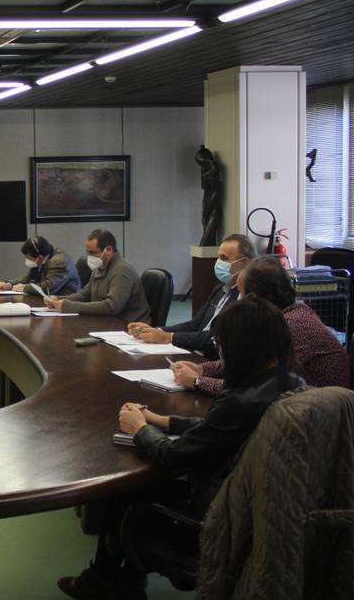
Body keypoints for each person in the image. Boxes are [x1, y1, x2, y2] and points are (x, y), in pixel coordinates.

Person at [58, 298, 303, 599]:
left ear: (241, 346)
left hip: (212, 514)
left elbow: (174, 456)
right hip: (253, 502)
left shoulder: (239, 400)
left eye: (222, 343)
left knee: (123, 489)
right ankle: (121, 582)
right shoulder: (289, 383)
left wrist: (141, 430)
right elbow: (217, 431)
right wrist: (163, 421)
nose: (220, 351)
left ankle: (105, 583)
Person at [170, 255, 349, 393]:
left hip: (313, 416)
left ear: (254, 298)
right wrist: (201, 369)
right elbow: (250, 363)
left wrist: (197, 381)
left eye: (240, 294)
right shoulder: (285, 316)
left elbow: (254, 388)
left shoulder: (292, 326)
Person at [127, 233, 253, 356]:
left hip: (212, 359)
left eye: (224, 258)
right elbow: (194, 325)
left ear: (244, 262)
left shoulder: (245, 297)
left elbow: (215, 339)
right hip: (194, 352)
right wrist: (156, 331)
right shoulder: (220, 289)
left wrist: (169, 337)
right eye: (218, 257)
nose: (218, 262)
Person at [46, 229, 150, 324]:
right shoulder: (100, 266)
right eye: (87, 252)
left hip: (128, 326)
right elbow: (85, 295)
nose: (89, 257)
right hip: (107, 322)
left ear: (108, 250)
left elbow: (111, 307)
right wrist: (58, 299)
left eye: (92, 252)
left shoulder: (122, 271)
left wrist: (70, 306)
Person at [0, 235, 80, 296]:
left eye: (28, 258)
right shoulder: (43, 257)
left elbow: (48, 288)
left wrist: (23, 288)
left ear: (39, 257)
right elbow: (28, 278)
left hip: (64, 301)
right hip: (48, 300)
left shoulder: (60, 261)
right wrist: (9, 284)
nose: (27, 261)